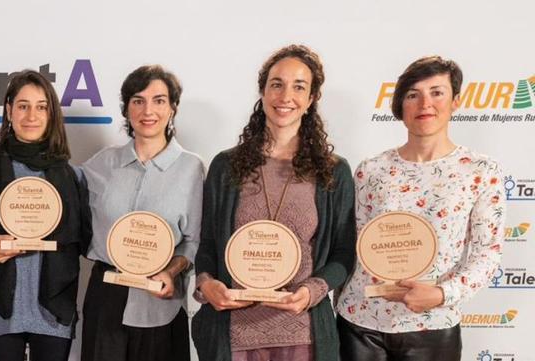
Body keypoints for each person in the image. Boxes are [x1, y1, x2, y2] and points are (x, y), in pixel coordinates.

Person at [191, 44, 356, 361]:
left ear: (310, 100)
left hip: (303, 335)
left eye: (299, 86)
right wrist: (206, 283)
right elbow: (209, 243)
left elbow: (344, 253)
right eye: (276, 84)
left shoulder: (333, 172)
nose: (285, 96)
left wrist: (312, 292)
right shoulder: (226, 167)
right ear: (263, 92)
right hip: (234, 335)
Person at [335, 56, 506, 361]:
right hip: (359, 323)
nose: (425, 103)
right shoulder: (370, 170)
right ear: (401, 106)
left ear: (455, 101)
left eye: (436, 92)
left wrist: (442, 294)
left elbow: (487, 253)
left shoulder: (480, 171)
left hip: (433, 325)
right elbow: (351, 244)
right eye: (413, 95)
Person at [0, 70, 90, 361]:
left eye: (41, 107)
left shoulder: (73, 178)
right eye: (23, 106)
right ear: (9, 110)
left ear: (51, 113)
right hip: (1, 313)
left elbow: (86, 242)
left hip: (55, 311)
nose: (32, 115)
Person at [79, 65, 203, 361]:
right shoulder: (100, 164)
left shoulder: (192, 168)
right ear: (126, 109)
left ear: (173, 108)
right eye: (138, 100)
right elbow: (76, 223)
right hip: (106, 296)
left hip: (160, 298)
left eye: (159, 100)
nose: (148, 110)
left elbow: (194, 240)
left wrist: (171, 271)